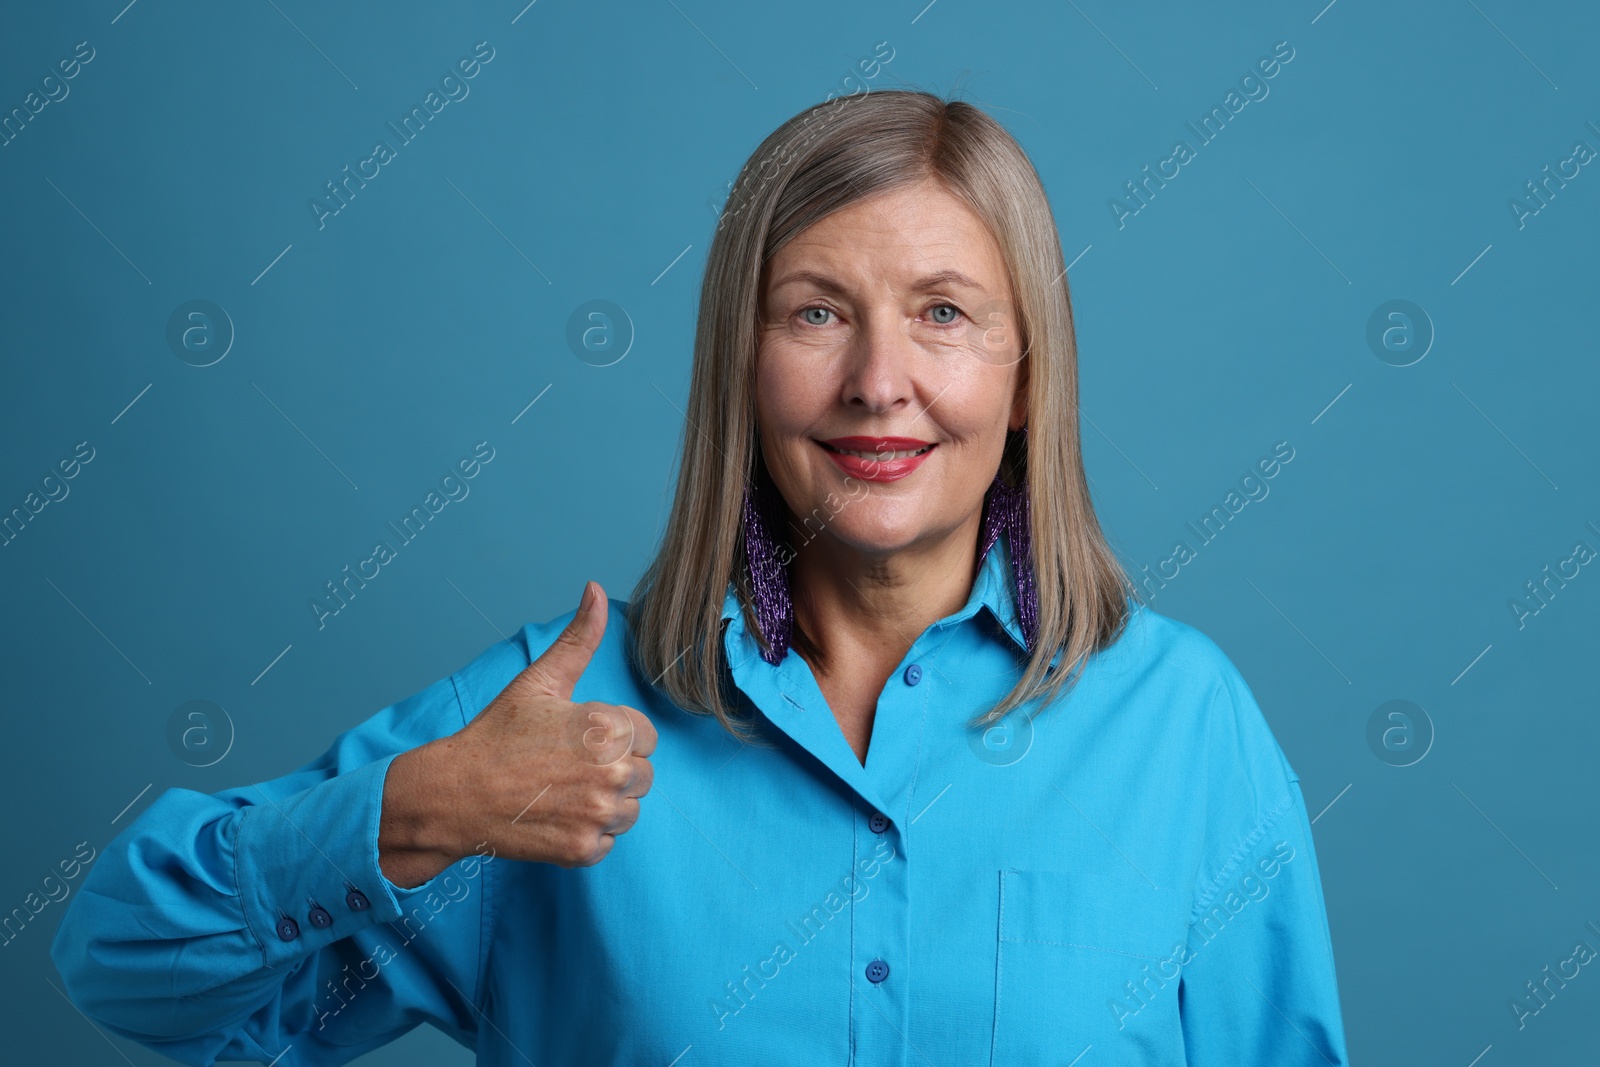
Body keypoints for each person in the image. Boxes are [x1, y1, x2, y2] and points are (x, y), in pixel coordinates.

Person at [52, 88, 1349, 1066]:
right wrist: (414, 811)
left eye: (945, 313)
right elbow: (121, 961)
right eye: (816, 312)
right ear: (742, 366)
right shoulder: (547, 723)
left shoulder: (1185, 726)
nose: (877, 381)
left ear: (1028, 377)